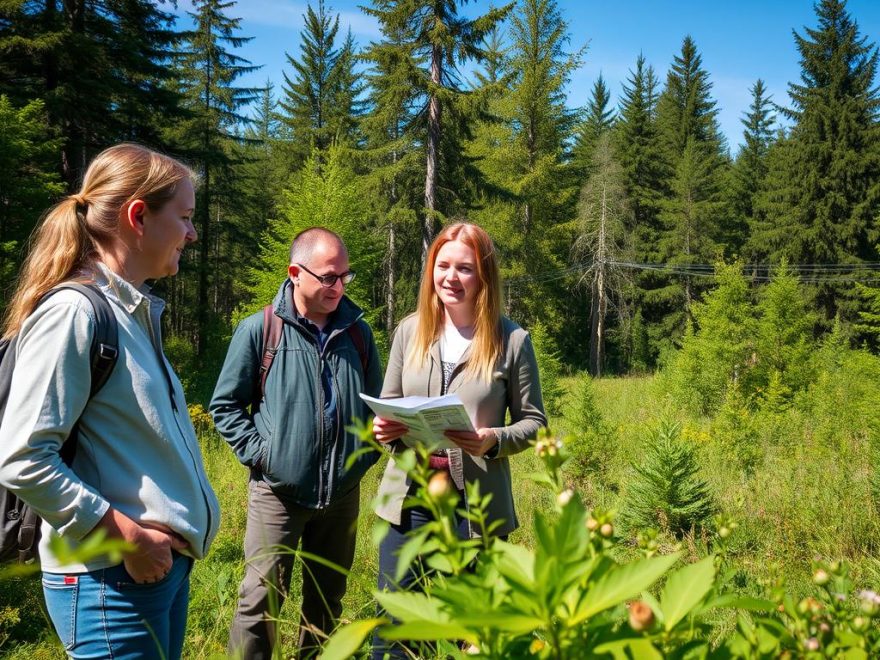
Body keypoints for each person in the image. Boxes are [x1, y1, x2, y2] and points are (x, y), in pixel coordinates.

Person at [0, 143, 220, 659]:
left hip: (145, 575)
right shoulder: (76, 313)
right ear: (138, 216)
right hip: (110, 582)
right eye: (184, 218)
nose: (191, 234)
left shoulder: (130, 313)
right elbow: (23, 458)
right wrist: (128, 538)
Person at [371, 221, 547, 658]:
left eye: (464, 268)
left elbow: (535, 422)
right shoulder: (410, 331)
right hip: (408, 501)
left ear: (484, 276)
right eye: (442, 265)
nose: (450, 277)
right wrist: (385, 430)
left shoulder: (513, 340)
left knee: (470, 631)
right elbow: (388, 403)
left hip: (477, 508)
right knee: (397, 626)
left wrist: (493, 439)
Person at [210, 227, 383, 659]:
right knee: (260, 604)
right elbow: (226, 405)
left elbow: (379, 407)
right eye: (328, 277)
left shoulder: (358, 335)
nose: (338, 286)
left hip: (342, 494)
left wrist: (360, 459)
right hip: (278, 495)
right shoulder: (261, 330)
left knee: (325, 605)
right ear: (295, 273)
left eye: (345, 276)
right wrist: (266, 456)